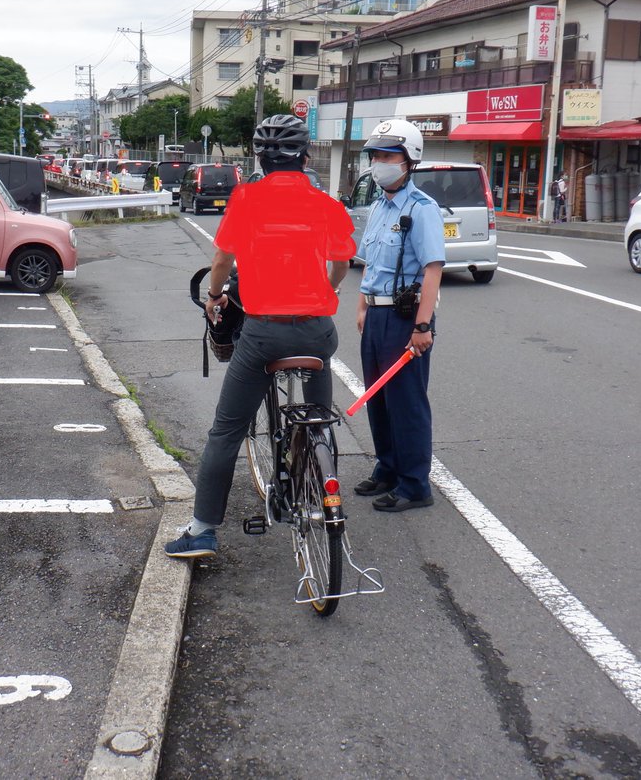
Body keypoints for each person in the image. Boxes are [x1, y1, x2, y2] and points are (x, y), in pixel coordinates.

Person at [165, 114, 356, 558]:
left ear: (260, 159)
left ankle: (202, 530)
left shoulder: (247, 199)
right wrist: (328, 290)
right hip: (316, 333)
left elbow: (221, 264)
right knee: (319, 418)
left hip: (264, 333)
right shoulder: (325, 203)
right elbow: (342, 260)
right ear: (305, 157)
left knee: (226, 431)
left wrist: (214, 298)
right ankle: (315, 473)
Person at [354, 119, 445, 513]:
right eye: (375, 155)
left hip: (406, 320)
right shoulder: (376, 207)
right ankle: (387, 467)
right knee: (378, 398)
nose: (379, 163)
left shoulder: (422, 209)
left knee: (406, 402)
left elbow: (433, 269)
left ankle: (414, 484)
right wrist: (361, 306)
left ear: (409, 161)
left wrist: (423, 325)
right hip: (375, 317)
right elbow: (371, 264)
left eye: (388, 155)